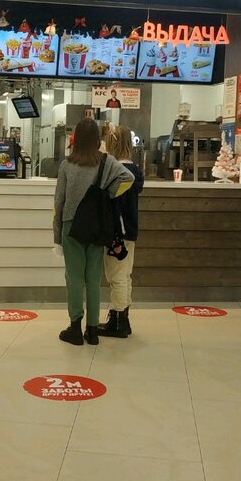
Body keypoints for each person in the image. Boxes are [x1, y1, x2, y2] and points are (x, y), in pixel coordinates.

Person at [54, 119, 134, 346]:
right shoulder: (106, 162)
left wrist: (56, 237)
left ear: (77, 139)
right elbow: (128, 177)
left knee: (74, 278)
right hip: (97, 226)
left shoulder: (67, 165)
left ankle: (75, 327)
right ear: (97, 139)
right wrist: (108, 193)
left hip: (72, 226)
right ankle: (92, 330)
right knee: (93, 278)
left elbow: (59, 202)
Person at [99, 125, 143, 338]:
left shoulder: (117, 171)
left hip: (118, 232)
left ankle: (118, 321)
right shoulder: (134, 169)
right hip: (129, 231)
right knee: (124, 275)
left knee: (116, 276)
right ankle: (123, 318)